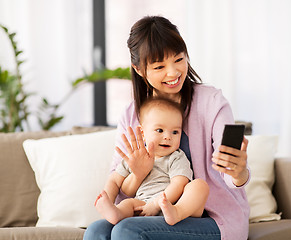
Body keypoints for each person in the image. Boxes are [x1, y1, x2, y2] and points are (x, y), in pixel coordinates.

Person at [84, 15, 250, 240]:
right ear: (139, 69)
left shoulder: (211, 102)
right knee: (96, 231)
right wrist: (138, 173)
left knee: (127, 231)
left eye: (179, 60)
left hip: (210, 217)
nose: (173, 73)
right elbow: (120, 182)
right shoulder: (131, 114)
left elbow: (230, 174)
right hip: (148, 209)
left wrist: (238, 173)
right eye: (160, 66)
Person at [94, 97, 209, 226]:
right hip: (143, 205)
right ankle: (116, 214)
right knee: (128, 204)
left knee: (199, 185)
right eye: (160, 130)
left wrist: (157, 204)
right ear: (143, 133)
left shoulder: (176, 157)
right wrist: (108, 199)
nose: (168, 136)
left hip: (173, 204)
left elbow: (179, 183)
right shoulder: (135, 156)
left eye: (175, 132)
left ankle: (177, 213)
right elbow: (114, 180)